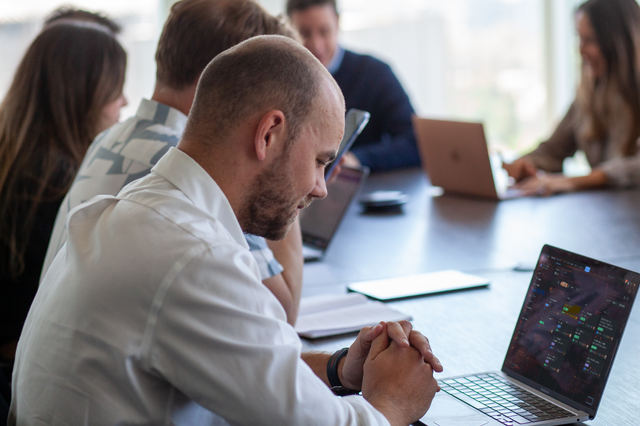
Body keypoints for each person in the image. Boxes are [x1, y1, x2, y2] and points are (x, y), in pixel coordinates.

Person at [10, 35, 442, 426]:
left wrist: (340, 368)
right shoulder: (193, 257)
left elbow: (250, 372)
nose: (321, 188)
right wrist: (393, 402)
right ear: (269, 134)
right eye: (318, 161)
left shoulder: (141, 209)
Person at [42, 0, 305, 326]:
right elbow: (282, 312)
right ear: (227, 78)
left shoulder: (111, 139)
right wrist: (290, 173)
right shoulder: (188, 164)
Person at [0, 22, 127, 380]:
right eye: (115, 88)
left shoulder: (17, 157)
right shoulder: (57, 181)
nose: (125, 101)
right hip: (22, 373)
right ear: (81, 92)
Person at [503, 0, 640, 196]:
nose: (581, 50)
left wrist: (571, 182)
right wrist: (526, 164)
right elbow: (553, 150)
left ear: (619, 42)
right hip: (605, 216)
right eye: (579, 38)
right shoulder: (588, 95)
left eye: (590, 40)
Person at [286, 0, 420, 172]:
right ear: (289, 30)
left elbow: (414, 142)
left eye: (324, 31)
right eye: (304, 33)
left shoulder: (375, 74)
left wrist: (357, 159)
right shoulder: (281, 82)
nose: (316, 45)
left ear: (338, 24)